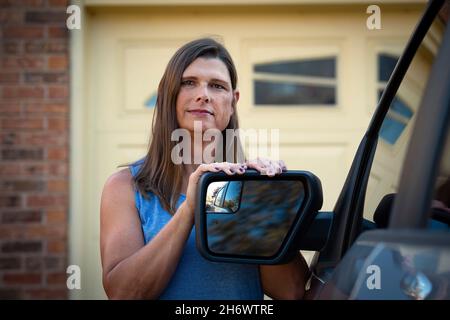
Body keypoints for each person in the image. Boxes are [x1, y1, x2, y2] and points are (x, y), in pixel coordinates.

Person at [100, 38, 310, 300]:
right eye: (189, 82)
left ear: (233, 101)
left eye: (217, 86)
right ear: (168, 94)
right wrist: (190, 208)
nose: (204, 94)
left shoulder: (249, 186)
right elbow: (123, 294)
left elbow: (290, 290)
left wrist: (259, 199)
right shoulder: (125, 186)